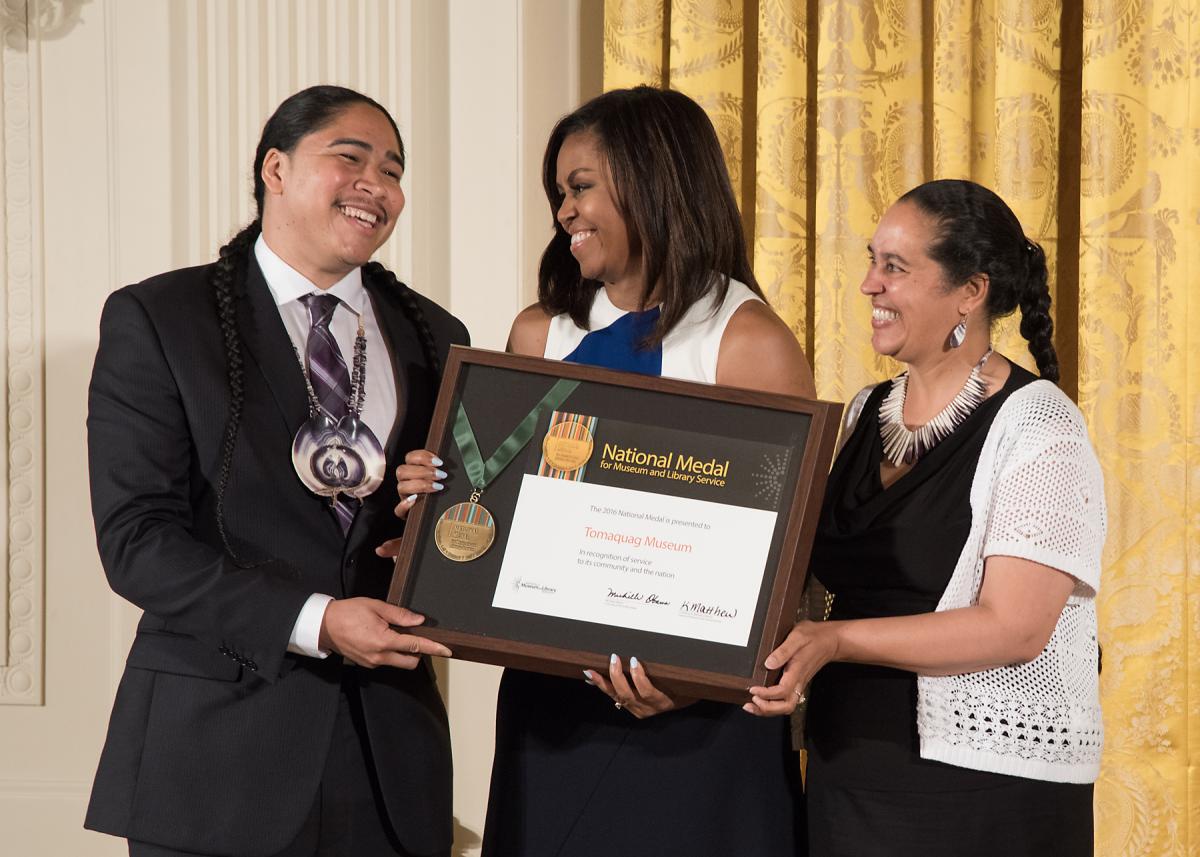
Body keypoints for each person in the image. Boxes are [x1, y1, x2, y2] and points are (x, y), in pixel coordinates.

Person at [85, 86, 468, 857]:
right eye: (350, 158)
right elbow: (137, 541)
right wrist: (317, 620)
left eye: (393, 170)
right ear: (277, 169)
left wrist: (446, 526)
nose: (377, 184)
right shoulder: (161, 318)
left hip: (389, 763)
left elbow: (458, 531)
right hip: (216, 762)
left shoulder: (436, 336)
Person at [476, 85, 813, 856]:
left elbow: (788, 560)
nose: (565, 211)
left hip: (701, 718)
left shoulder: (748, 340)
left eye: (582, 186)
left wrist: (696, 678)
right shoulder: (539, 333)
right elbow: (501, 508)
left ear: (654, 181)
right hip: (552, 709)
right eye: (559, 192)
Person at [746, 179, 1105, 856]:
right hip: (847, 772)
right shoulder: (859, 412)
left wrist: (835, 640)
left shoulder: (1041, 426)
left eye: (894, 267)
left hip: (982, 791)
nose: (868, 285)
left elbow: (1016, 627)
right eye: (872, 261)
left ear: (969, 292)